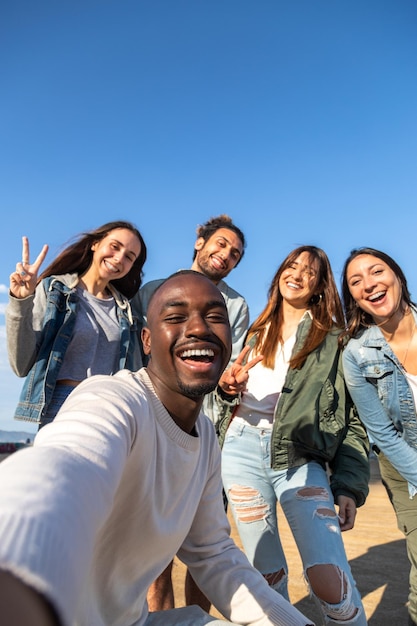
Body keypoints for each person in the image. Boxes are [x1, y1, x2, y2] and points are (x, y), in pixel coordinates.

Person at [0, 271, 314, 626]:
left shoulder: (206, 438)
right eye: (176, 317)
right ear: (146, 340)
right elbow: (63, 466)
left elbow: (213, 553)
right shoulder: (114, 398)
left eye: (215, 317)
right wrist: (17, 566)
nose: (198, 329)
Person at [216, 245, 369, 626]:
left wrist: (349, 485)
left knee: (328, 577)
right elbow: (219, 401)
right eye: (291, 265)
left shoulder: (334, 340)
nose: (297, 274)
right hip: (239, 450)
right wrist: (225, 389)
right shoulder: (254, 332)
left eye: (310, 272)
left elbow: (352, 419)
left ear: (320, 286)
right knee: (264, 576)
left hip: (299, 457)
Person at [132, 214, 249, 611]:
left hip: (208, 432)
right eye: (220, 244)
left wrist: (230, 382)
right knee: (157, 549)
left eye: (235, 254)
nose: (226, 255)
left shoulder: (237, 305)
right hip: (155, 427)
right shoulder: (150, 290)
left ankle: (197, 619)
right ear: (199, 242)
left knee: (208, 544)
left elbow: (226, 363)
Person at [6, 220, 147, 429]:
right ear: (95, 244)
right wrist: (20, 303)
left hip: (112, 407)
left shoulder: (127, 311)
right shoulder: (54, 290)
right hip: (61, 404)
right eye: (115, 246)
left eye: (129, 257)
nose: (119, 259)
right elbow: (21, 365)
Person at [341, 247, 417, 626]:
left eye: (377, 271)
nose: (369, 284)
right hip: (405, 466)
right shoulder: (356, 354)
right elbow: (382, 434)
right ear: (353, 298)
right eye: (356, 282)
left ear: (398, 277)